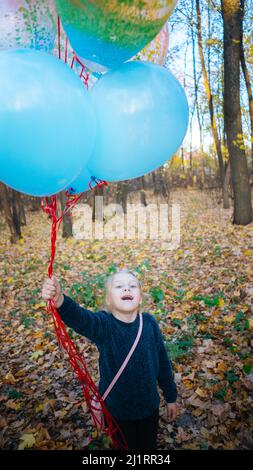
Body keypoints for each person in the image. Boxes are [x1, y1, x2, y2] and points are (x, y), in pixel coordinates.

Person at [41, 268, 178, 450]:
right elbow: (82, 318)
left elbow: (162, 362)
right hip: (118, 413)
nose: (126, 289)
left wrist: (170, 397)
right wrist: (60, 301)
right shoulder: (104, 325)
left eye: (132, 286)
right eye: (119, 286)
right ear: (108, 299)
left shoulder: (150, 324)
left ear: (141, 297)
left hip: (149, 408)